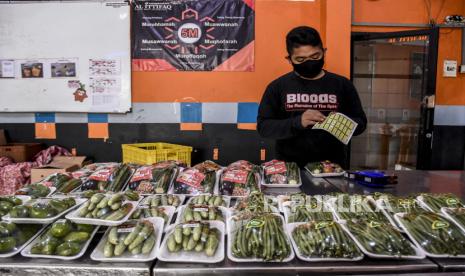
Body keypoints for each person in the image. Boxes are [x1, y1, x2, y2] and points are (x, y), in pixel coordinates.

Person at [257, 26, 367, 168]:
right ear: (289, 59)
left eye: (315, 57)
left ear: (324, 52)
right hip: (290, 169)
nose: (309, 62)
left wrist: (339, 123)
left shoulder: (342, 85)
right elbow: (264, 127)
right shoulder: (277, 87)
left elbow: (361, 123)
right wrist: (298, 122)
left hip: (332, 168)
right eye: (300, 59)